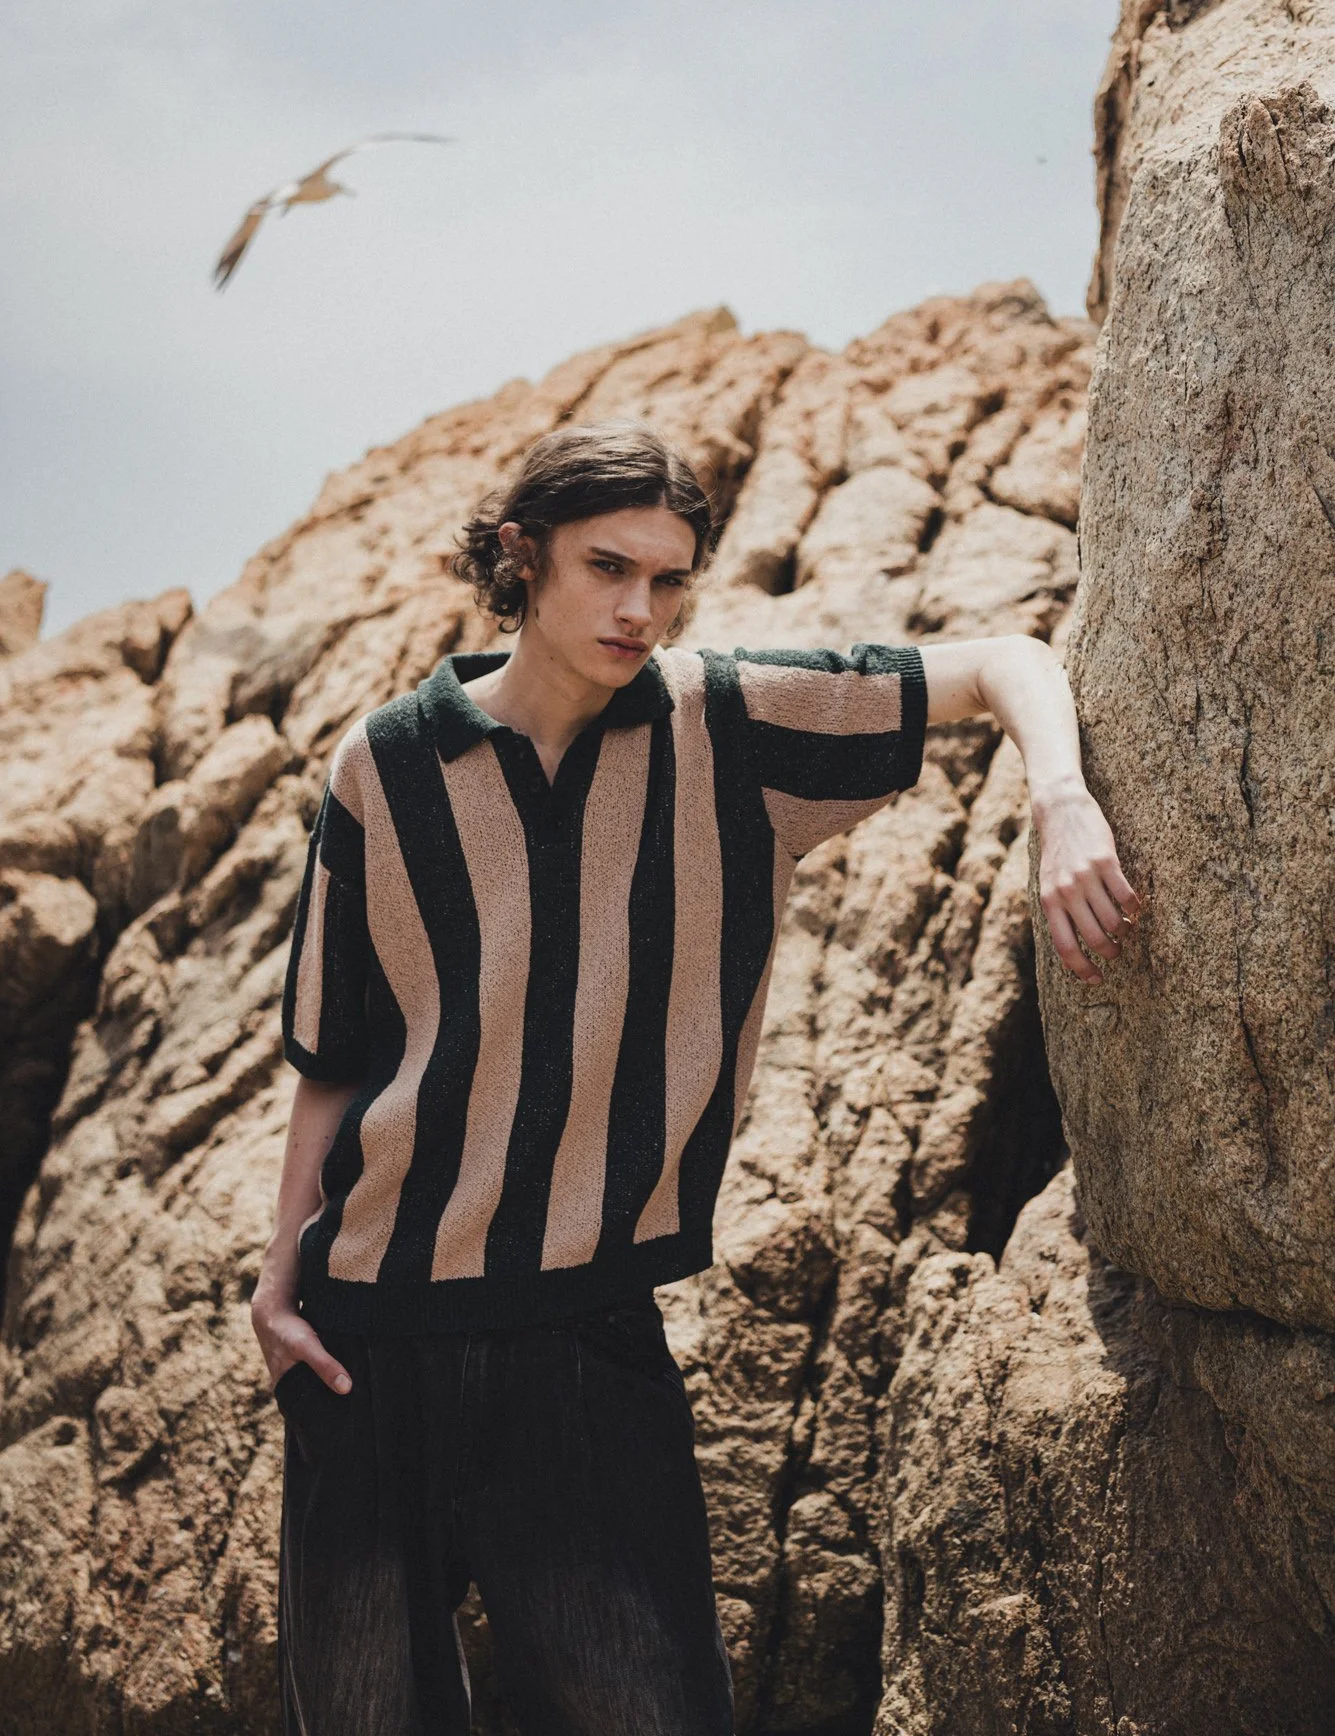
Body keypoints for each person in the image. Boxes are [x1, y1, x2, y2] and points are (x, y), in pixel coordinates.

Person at [251, 422, 1138, 1736]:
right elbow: (335, 1053)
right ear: (519, 557)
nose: (636, 609)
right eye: (606, 568)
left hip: (586, 1339)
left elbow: (1007, 662)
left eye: (666, 581)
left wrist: (1060, 798)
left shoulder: (729, 722)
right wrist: (277, 1290)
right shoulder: (384, 764)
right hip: (365, 1345)